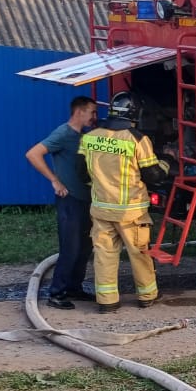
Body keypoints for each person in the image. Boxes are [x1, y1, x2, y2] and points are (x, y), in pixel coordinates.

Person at [78, 93, 169, 312]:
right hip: (131, 212)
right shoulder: (137, 139)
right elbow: (153, 176)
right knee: (139, 254)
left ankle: (107, 302)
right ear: (134, 114)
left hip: (101, 209)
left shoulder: (89, 136)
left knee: (104, 255)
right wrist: (166, 163)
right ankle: (147, 295)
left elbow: (81, 173)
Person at [24, 96, 99, 309]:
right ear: (79, 112)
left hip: (85, 200)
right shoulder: (63, 133)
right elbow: (33, 154)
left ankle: (74, 288)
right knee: (71, 248)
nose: (95, 117)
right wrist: (54, 180)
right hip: (70, 201)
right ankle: (56, 293)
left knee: (85, 247)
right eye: (92, 112)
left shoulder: (83, 136)